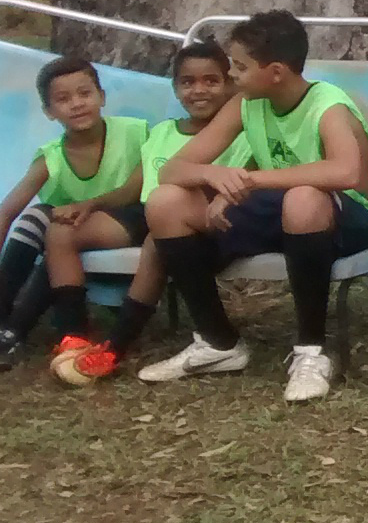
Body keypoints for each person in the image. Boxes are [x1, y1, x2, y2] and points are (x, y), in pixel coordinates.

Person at [137, 11, 368, 403]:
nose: (232, 76)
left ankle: (311, 352)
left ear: (275, 72)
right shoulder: (245, 104)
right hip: (280, 211)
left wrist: (248, 181)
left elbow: (346, 171)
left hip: (347, 220)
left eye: (239, 66)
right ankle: (218, 342)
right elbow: (172, 170)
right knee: (166, 201)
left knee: (303, 197)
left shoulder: (327, 103)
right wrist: (212, 176)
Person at [50, 40, 254, 386]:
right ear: (175, 88)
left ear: (231, 84)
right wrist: (92, 204)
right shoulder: (162, 132)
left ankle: (117, 345)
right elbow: (135, 187)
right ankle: (74, 336)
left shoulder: (245, 132)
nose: (198, 90)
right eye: (187, 82)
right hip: (142, 212)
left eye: (211, 80)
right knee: (61, 232)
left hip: (192, 222)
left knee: (158, 240)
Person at [0, 58, 146, 375]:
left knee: (58, 230)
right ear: (49, 112)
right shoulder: (53, 156)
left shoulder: (135, 132)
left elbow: (135, 189)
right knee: (38, 217)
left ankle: (15, 328)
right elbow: (6, 212)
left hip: (129, 219)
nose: (76, 104)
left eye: (84, 93)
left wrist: (88, 205)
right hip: (74, 235)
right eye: (63, 99)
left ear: (101, 97)